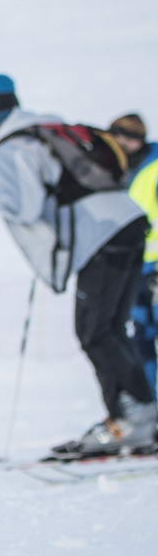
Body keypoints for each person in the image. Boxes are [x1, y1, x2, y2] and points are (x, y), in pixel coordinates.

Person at [0, 76, 155, 452]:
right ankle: (138, 416)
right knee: (109, 329)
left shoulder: (11, 147)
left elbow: (26, 207)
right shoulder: (44, 128)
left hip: (102, 237)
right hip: (127, 223)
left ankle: (133, 420)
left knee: (94, 331)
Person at [111, 115, 156, 392]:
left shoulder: (153, 168)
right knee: (141, 334)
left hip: (154, 264)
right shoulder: (121, 168)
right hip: (135, 265)